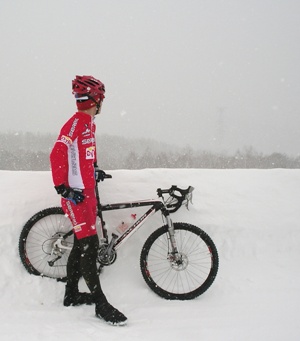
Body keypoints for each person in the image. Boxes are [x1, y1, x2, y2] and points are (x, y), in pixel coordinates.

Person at [50, 75, 127, 326]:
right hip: (77, 198)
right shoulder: (76, 123)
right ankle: (101, 304)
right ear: (96, 99)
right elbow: (57, 152)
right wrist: (63, 188)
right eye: (101, 98)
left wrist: (94, 169)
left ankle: (71, 294)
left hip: (87, 195)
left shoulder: (89, 124)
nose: (102, 103)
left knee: (80, 246)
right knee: (89, 247)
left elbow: (82, 156)